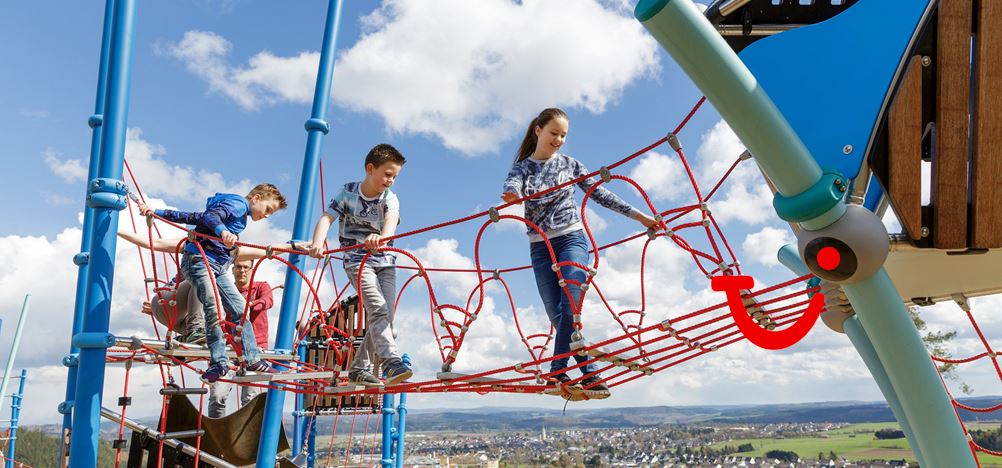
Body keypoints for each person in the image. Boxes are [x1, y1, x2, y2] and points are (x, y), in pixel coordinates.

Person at [501, 108, 658, 398]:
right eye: (554, 133)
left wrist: (641, 217)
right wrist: (512, 196)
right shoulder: (522, 168)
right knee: (559, 317)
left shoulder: (570, 165)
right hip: (540, 248)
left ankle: (556, 373)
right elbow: (512, 185)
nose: (559, 139)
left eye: (563, 135)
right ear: (538, 130)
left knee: (568, 308)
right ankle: (590, 374)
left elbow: (600, 194)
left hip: (571, 240)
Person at [136, 183, 288, 384]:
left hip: (216, 265)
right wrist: (222, 230)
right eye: (268, 209)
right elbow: (210, 218)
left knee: (239, 308)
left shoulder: (237, 214)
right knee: (213, 306)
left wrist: (157, 212)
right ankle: (218, 362)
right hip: (199, 261)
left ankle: (251, 358)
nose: (267, 215)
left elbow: (195, 217)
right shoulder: (238, 204)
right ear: (256, 198)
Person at [308, 143, 411, 387]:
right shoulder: (348, 192)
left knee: (387, 317)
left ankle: (359, 368)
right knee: (377, 307)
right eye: (387, 174)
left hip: (385, 261)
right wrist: (317, 243)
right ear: (370, 169)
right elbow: (327, 217)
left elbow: (391, 221)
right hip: (357, 259)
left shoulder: (390, 199)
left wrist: (382, 237)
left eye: (395, 176)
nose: (391, 180)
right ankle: (391, 362)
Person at [207, 258, 274, 417]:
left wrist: (249, 304)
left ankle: (249, 437)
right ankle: (217, 433)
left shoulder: (260, 287)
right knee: (217, 395)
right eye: (238, 267)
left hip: (254, 349)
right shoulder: (226, 290)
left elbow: (268, 301)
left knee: (250, 397)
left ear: (251, 270)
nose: (242, 271)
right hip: (230, 348)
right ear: (232, 269)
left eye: (246, 267)